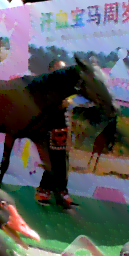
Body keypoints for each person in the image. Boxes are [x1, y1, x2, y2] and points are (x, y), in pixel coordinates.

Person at [34, 59, 79, 207]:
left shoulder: (65, 87)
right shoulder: (46, 85)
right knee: (53, 162)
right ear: (51, 69)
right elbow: (44, 106)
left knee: (62, 163)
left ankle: (60, 193)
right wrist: (61, 104)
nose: (62, 72)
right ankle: (44, 192)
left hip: (63, 131)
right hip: (50, 129)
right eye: (59, 69)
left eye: (64, 69)